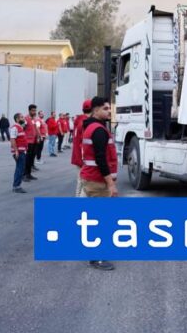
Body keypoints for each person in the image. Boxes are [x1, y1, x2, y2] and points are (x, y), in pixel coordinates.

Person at [80, 97, 119, 271]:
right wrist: (111, 184)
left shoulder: (91, 127)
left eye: (109, 108)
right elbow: (101, 159)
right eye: (105, 108)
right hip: (97, 181)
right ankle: (97, 258)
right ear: (95, 110)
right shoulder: (98, 131)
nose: (109, 111)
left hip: (91, 178)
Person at [71, 100, 92, 197]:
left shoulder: (79, 120)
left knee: (80, 181)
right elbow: (83, 143)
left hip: (78, 155)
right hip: (82, 157)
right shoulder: (85, 123)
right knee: (83, 182)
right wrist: (85, 159)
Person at [9, 113, 29, 193]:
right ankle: (16, 186)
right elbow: (12, 139)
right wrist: (16, 151)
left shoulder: (20, 127)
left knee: (20, 168)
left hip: (22, 151)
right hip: (19, 152)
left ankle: (16, 185)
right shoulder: (15, 128)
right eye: (21, 117)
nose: (23, 118)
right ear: (17, 119)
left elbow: (26, 123)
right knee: (20, 169)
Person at [23, 104, 41, 180]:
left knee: (31, 159)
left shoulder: (34, 119)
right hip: (28, 141)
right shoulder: (25, 119)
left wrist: (39, 136)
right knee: (27, 159)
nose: (34, 112)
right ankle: (24, 175)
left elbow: (36, 128)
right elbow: (22, 129)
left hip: (34, 141)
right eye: (33, 111)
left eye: (35, 110)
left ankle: (29, 174)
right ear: (29, 111)